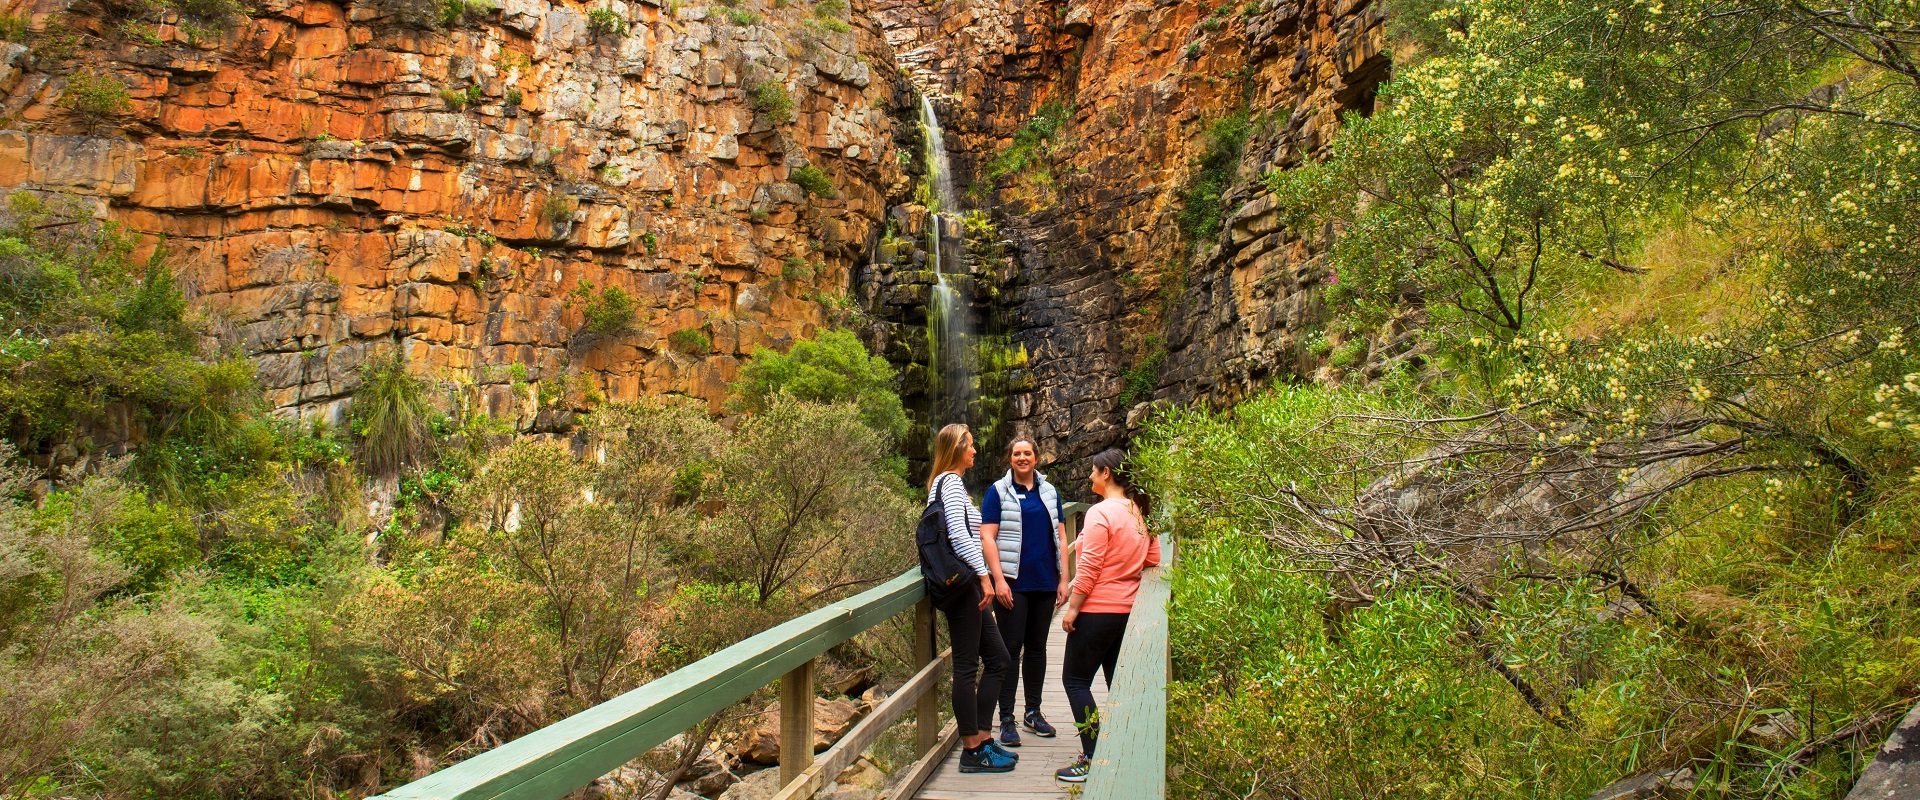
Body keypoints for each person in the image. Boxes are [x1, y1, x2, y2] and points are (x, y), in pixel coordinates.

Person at [1055, 447, 1160, 784]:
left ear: (1107, 473)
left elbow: (1088, 569)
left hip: (1097, 610)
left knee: (1074, 682)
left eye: (1093, 471)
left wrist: (1073, 608)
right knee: (1118, 684)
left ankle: (1092, 756)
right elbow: (1153, 557)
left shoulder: (1100, 514)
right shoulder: (1138, 511)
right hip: (1126, 611)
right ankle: (1128, 755)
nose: (1089, 477)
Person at [926, 423, 1019, 774]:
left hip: (966, 586)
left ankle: (982, 739)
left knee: (998, 658)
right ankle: (972, 751)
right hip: (964, 586)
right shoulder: (949, 482)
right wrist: (985, 578)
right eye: (970, 445)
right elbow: (962, 538)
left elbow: (972, 530)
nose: (975, 451)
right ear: (956, 449)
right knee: (966, 667)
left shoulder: (950, 484)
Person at [980, 437, 1068, 748]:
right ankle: (1006, 718)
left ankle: (1033, 711)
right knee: (1009, 650)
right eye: (1016, 453)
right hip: (1013, 586)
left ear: (1036, 457)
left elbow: (1059, 531)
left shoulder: (1048, 491)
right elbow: (987, 537)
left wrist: (1064, 578)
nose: (1022, 458)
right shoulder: (997, 492)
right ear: (1009, 458)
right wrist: (999, 580)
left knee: (1037, 648)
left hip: (1044, 582)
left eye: (1027, 453)